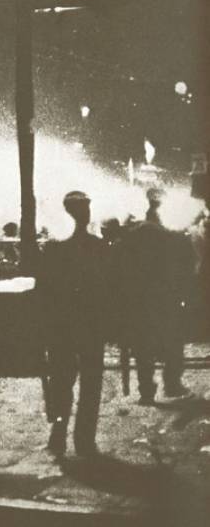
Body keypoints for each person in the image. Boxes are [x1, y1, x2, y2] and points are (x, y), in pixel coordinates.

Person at [38, 191, 109, 458]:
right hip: (89, 323)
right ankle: (84, 439)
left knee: (61, 381)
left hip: (62, 324)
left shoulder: (53, 248)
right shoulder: (98, 247)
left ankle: (58, 433)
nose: (86, 215)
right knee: (90, 383)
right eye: (83, 210)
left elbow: (44, 287)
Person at [116, 204, 194, 403]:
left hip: (139, 299)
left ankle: (146, 391)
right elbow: (186, 266)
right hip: (166, 297)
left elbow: (120, 268)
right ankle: (172, 384)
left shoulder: (131, 236)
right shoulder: (172, 235)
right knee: (173, 341)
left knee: (142, 345)